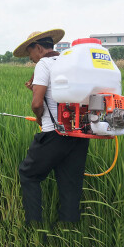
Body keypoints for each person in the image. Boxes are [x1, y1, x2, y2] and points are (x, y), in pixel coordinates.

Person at [13, 29, 89, 224]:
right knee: (70, 185)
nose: (30, 58)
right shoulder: (67, 62)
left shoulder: (44, 64)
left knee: (28, 174)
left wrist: (39, 118)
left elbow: (37, 104)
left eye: (30, 52)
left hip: (55, 134)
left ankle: (35, 230)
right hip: (80, 135)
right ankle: (69, 234)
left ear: (38, 47)